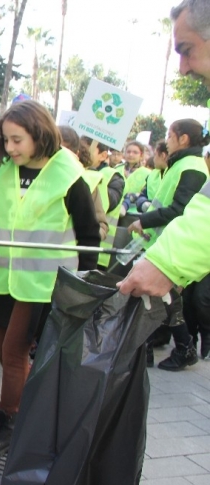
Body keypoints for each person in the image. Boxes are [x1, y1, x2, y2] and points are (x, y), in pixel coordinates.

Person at [0, 100, 100, 461]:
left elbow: (89, 233)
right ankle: (27, 414)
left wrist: (87, 284)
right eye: (5, 141)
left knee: (14, 352)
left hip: (43, 282)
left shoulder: (69, 174)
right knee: (1, 346)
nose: (9, 149)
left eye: (17, 140)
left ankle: (9, 423)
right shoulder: (4, 171)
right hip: (3, 278)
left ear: (39, 133)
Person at [118, 0, 210, 298]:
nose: (183, 69)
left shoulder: (191, 167)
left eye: (186, 49)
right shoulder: (174, 166)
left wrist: (167, 262)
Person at [126, 119, 209, 370]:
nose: (167, 141)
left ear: (183, 139)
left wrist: (146, 221)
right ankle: (168, 346)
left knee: (161, 297)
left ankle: (175, 347)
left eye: (170, 136)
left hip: (173, 250)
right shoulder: (183, 164)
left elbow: (181, 209)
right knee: (162, 298)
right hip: (165, 246)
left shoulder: (191, 167)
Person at [80, 136, 124, 268]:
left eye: (87, 149)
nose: (81, 152)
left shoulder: (113, 176)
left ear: (103, 155)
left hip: (99, 249)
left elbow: (107, 204)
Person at [120, 141, 151, 216]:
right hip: (115, 210)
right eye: (128, 152)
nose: (131, 154)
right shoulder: (117, 168)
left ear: (141, 155)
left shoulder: (148, 173)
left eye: (135, 152)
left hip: (136, 213)